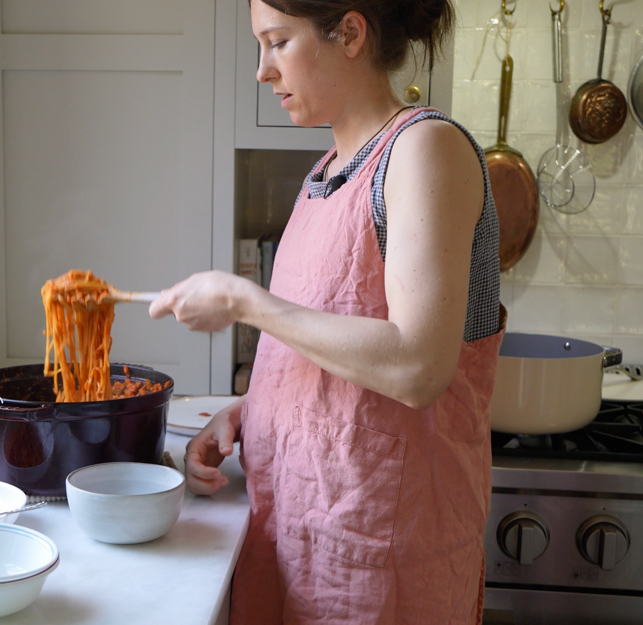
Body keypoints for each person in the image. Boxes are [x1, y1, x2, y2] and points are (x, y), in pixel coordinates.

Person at [148, 1, 505, 624]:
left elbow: (418, 367)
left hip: (383, 553)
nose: (262, 71)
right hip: (297, 533)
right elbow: (328, 349)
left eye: (278, 42)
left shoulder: (424, 150)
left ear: (350, 33)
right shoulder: (327, 173)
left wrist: (242, 301)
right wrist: (251, 411)